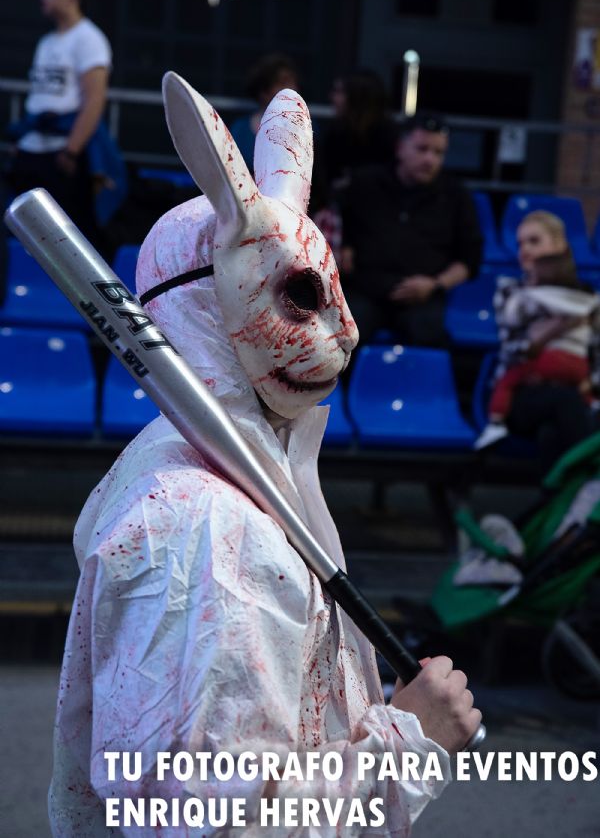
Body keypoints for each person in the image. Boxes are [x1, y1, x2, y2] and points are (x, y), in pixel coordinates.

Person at [48, 75, 479, 836]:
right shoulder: (203, 533)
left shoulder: (211, 487)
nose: (345, 333)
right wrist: (406, 746)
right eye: (304, 297)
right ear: (206, 303)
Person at [338, 111, 483, 347]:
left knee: (431, 337)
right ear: (400, 148)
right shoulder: (365, 184)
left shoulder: (456, 194)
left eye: (438, 153)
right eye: (422, 149)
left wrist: (436, 284)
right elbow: (332, 224)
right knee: (339, 337)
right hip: (367, 291)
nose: (430, 160)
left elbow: (470, 260)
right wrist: (342, 247)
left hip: (424, 297)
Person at [6, 0, 125, 243]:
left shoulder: (89, 38)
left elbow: (94, 101)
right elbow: (41, 96)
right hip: (34, 146)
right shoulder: (47, 42)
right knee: (22, 227)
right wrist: (23, 141)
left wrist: (72, 151)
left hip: (64, 151)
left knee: (69, 233)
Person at [480, 211, 598, 473]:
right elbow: (512, 353)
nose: (525, 250)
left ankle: (557, 507)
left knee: (552, 433)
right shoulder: (511, 293)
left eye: (534, 241)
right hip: (521, 396)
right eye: (520, 244)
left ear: (560, 246)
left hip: (577, 393)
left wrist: (589, 383)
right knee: (566, 404)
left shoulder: (586, 298)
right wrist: (559, 326)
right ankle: (586, 497)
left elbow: (595, 355)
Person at [312, 70, 397, 266]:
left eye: (339, 92)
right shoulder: (335, 133)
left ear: (358, 97)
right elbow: (326, 187)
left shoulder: (386, 135)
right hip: (341, 221)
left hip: (376, 226)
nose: (332, 98)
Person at [229, 52, 298, 171]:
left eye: (293, 82)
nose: (293, 88)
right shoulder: (239, 130)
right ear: (264, 91)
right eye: (283, 83)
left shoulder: (305, 129)